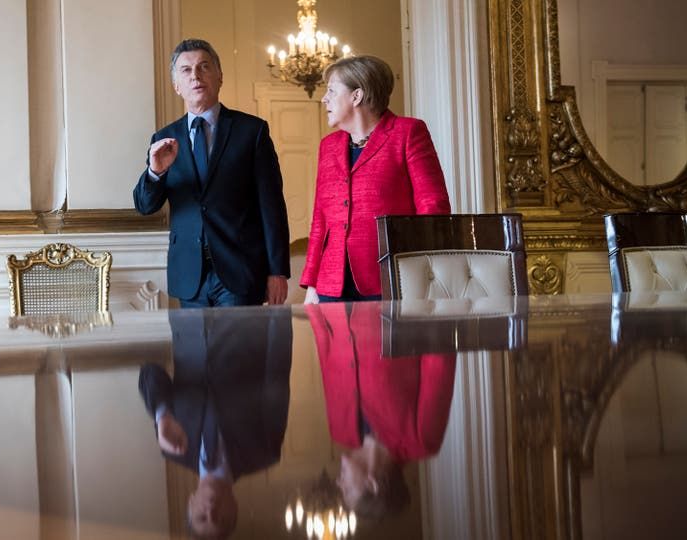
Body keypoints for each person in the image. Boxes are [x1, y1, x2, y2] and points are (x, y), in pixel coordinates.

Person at [133, 39, 291, 307]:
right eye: (186, 70)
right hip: (189, 275)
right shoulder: (164, 138)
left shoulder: (251, 131)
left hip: (240, 271)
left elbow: (272, 205)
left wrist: (277, 271)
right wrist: (155, 172)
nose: (195, 76)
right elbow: (145, 206)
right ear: (177, 86)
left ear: (220, 77)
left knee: (240, 338)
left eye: (204, 67)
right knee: (190, 339)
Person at [301, 55, 452, 304]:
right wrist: (312, 283)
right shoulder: (328, 146)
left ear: (356, 96)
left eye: (331, 91)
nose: (324, 99)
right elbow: (320, 219)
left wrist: (423, 272)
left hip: (391, 278)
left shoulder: (407, 132)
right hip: (332, 284)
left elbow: (433, 207)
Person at [138, 308, 292, 538]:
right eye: (220, 518)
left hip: (190, 322)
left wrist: (162, 415)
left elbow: (150, 372)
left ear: (190, 504)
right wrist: (280, 315)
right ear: (234, 509)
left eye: (201, 517)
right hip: (243, 321)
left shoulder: (170, 443)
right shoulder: (264, 453)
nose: (211, 510)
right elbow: (276, 374)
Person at [306, 301, 455, 528]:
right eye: (348, 491)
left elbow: (325, 354)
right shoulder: (421, 442)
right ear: (372, 484)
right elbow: (439, 358)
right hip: (392, 302)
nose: (338, 483)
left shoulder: (339, 430)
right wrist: (424, 300)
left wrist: (314, 310)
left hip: (336, 301)